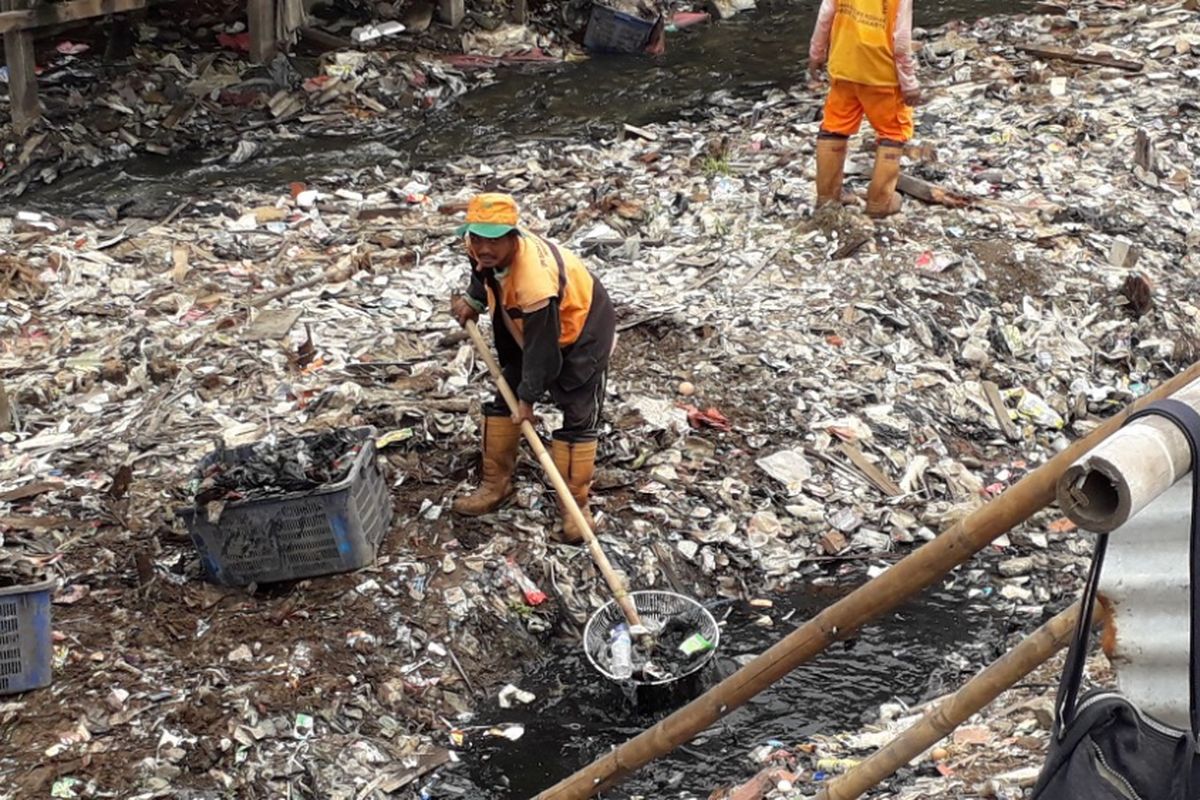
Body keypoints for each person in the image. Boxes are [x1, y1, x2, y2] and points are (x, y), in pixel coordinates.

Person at [449, 193, 616, 544]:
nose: (483, 248)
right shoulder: (478, 249)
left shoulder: (534, 282)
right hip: (524, 324)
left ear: (514, 237)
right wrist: (473, 301)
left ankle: (576, 510)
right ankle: (495, 485)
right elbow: (482, 274)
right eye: (477, 238)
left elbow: (542, 353)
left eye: (492, 240)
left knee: (577, 411)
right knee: (503, 399)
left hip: (582, 329)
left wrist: (528, 399)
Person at [808, 0, 921, 218]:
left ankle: (826, 200)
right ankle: (880, 204)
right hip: (881, 73)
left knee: (834, 128)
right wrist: (909, 82)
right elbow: (901, 41)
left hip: (844, 65)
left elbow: (825, 16)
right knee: (893, 134)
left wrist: (817, 53)